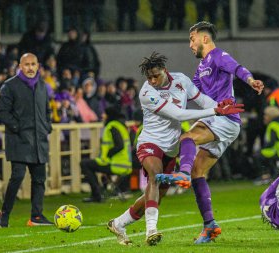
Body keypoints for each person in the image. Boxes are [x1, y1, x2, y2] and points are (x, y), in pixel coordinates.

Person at [107, 52, 244, 246]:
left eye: (156, 76)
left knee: (156, 195)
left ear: (165, 71)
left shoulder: (181, 80)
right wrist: (215, 111)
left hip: (171, 149)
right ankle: (151, 231)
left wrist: (221, 107)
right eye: (149, 77)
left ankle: (119, 223)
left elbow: (202, 100)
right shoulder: (147, 93)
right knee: (154, 176)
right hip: (150, 143)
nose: (153, 80)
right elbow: (179, 115)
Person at [156, 21, 264, 244]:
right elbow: (189, 91)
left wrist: (251, 80)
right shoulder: (202, 67)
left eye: (192, 38)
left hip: (223, 118)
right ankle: (210, 226)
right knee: (198, 172)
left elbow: (237, 68)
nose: (190, 44)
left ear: (204, 38)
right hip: (220, 121)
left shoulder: (218, 56)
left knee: (187, 138)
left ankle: (181, 174)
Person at [0, 53, 53, 228]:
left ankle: (36, 216)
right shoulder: (10, 86)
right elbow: (2, 112)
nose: (30, 67)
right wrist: (17, 128)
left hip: (39, 141)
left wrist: (46, 127)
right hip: (19, 140)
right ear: (20, 66)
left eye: (33, 64)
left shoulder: (43, 86)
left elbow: (47, 111)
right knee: (17, 177)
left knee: (39, 180)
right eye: (26, 64)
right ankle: (4, 213)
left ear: (38, 66)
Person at [80, 106, 132, 202]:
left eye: (104, 113)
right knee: (89, 164)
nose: (102, 115)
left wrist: (107, 155)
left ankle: (97, 195)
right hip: (125, 164)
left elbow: (119, 146)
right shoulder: (121, 125)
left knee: (84, 163)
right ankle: (99, 192)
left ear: (109, 115)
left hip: (116, 164)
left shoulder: (112, 126)